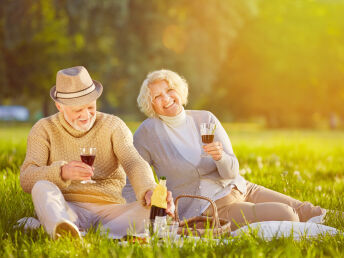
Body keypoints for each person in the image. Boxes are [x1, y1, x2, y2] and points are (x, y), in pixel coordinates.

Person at [122, 69, 326, 230]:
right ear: (151, 105)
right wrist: (146, 205)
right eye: (157, 97)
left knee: (308, 210)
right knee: (287, 214)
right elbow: (131, 178)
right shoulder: (147, 134)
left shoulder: (205, 118)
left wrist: (220, 158)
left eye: (169, 90)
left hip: (240, 187)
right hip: (210, 207)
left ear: (179, 91)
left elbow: (231, 171)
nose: (166, 99)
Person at [20, 66, 173, 239]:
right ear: (59, 106)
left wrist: (148, 190)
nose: (86, 115)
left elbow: (133, 161)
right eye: (78, 110)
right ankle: (66, 228)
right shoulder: (43, 129)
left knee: (159, 208)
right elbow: (26, 178)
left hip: (112, 212)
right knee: (41, 187)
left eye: (90, 107)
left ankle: (81, 232)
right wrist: (62, 172)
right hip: (68, 208)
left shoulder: (113, 125)